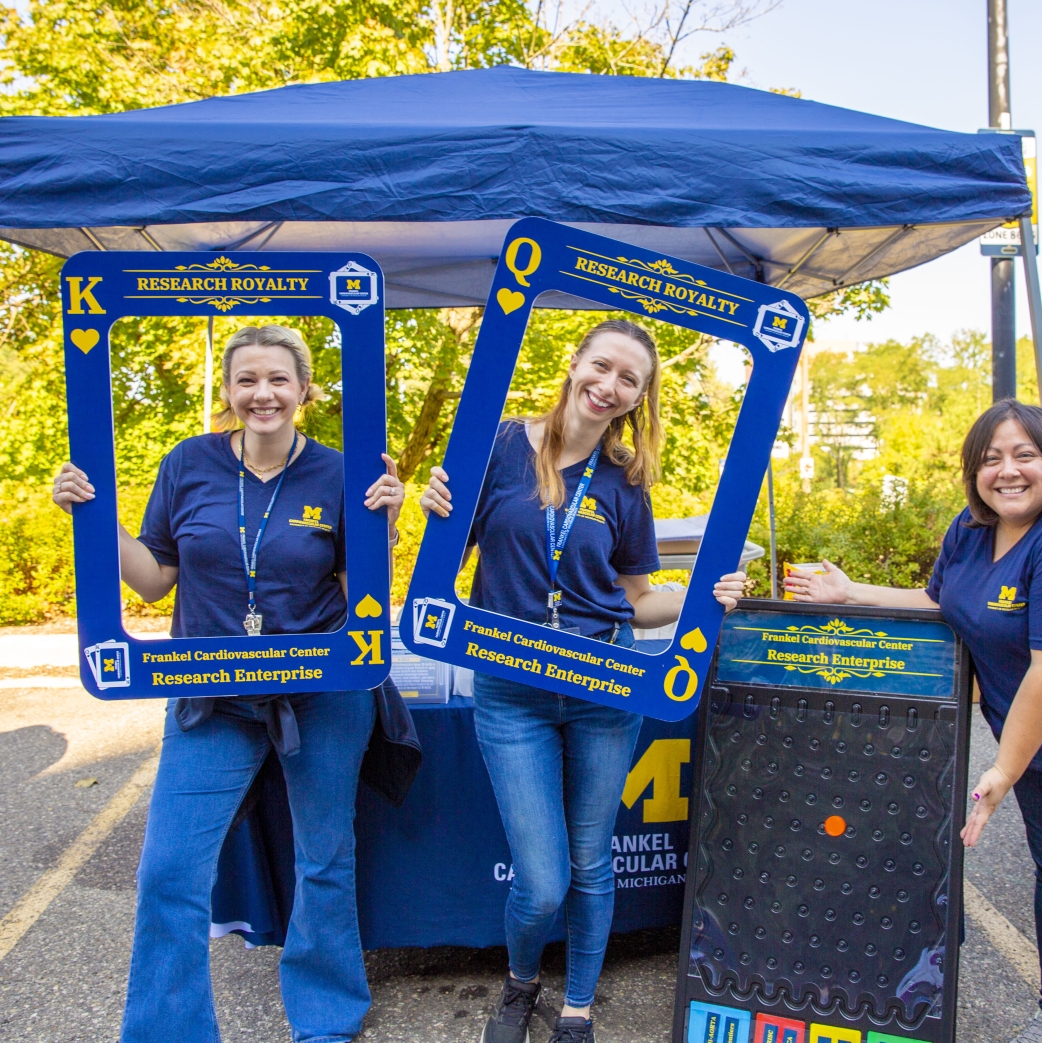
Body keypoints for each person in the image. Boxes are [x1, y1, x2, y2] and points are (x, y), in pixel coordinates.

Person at [52, 324, 405, 1043]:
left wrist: (386, 529)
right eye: (246, 379)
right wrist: (92, 519)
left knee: (325, 860)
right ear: (229, 391)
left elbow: (361, 593)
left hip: (322, 693)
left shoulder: (341, 473)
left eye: (278, 378)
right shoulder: (188, 463)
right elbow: (153, 581)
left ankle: (327, 1020)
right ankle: (167, 1031)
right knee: (169, 872)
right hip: (213, 695)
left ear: (306, 390)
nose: (262, 393)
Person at [421, 319, 746, 1043]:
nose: (609, 385)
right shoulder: (501, 443)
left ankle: (577, 1007)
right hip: (511, 691)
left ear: (639, 396)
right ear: (574, 364)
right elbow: (442, 559)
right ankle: (521, 981)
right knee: (542, 878)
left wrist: (702, 595)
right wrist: (432, 506)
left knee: (593, 860)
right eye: (602, 367)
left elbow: (636, 597)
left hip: (605, 688)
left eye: (629, 379)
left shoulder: (627, 478)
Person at [784, 399, 1042, 1043]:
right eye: (990, 459)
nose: (1006, 471)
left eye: (1024, 455)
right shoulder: (971, 530)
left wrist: (1003, 771)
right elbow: (938, 602)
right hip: (1034, 745)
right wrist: (852, 594)